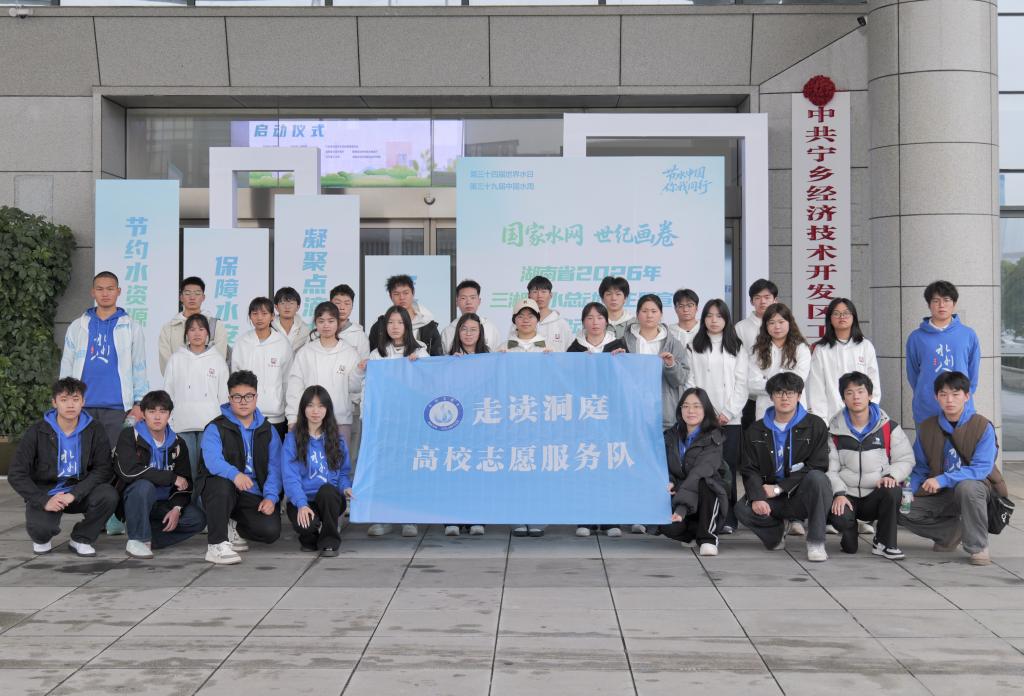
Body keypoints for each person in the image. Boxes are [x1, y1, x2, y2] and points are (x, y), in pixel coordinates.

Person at [59, 270, 148, 537]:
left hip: (116, 407)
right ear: (93, 292)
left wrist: (139, 402)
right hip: (83, 407)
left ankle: (112, 516)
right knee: (86, 462)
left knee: (114, 462)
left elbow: (139, 366)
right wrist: (65, 401)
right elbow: (67, 364)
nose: (105, 293)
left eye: (110, 288)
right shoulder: (78, 326)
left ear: (118, 292)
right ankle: (93, 514)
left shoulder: (131, 326)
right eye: (100, 288)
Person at [899, 371, 1003, 566]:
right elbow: (920, 467)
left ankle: (978, 546)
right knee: (898, 506)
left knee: (967, 487)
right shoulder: (927, 427)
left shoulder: (982, 426)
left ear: (967, 396)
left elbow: (981, 469)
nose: (949, 400)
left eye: (956, 394)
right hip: (939, 493)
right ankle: (949, 533)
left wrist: (942, 479)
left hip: (976, 492)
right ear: (936, 397)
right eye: (944, 394)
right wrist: (909, 490)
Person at [9, 378, 118, 557]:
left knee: (108, 495)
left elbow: (103, 469)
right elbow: (16, 473)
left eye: (75, 399)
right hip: (47, 492)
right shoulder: (37, 431)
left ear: (83, 402)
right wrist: (43, 500)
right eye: (64, 399)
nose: (70, 405)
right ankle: (42, 535)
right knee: (41, 533)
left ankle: (81, 538)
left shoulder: (95, 429)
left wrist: (74, 494)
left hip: (79, 490)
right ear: (54, 402)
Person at [734, 372, 832, 562]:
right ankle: (776, 533)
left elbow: (818, 465)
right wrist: (757, 497)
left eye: (790, 393)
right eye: (779, 393)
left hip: (802, 494)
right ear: (771, 397)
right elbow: (749, 469)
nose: (784, 398)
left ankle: (816, 542)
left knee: (818, 478)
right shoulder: (756, 429)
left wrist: (780, 488)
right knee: (742, 509)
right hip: (773, 497)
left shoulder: (815, 425)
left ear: (799, 395)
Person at [198, 370, 284, 565]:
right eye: (237, 396)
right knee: (221, 484)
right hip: (224, 489)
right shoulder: (216, 427)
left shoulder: (268, 430)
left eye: (248, 396)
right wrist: (234, 474)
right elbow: (212, 461)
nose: (243, 401)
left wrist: (271, 497)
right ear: (229, 398)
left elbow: (276, 468)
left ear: (256, 397)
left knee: (270, 532)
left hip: (251, 493)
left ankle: (232, 524)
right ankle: (216, 545)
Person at [826, 372, 914, 560]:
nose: (856, 397)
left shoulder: (888, 428)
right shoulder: (834, 430)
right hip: (848, 495)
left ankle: (885, 543)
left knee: (893, 490)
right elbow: (830, 469)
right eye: (849, 393)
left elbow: (905, 459)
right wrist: (839, 493)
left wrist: (891, 476)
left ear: (870, 395)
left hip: (875, 493)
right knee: (849, 546)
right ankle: (849, 533)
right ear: (843, 398)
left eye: (860, 391)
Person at [359, 305, 427, 538]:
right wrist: (361, 371)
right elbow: (366, 387)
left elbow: (430, 384)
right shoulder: (377, 354)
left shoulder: (420, 352)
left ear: (407, 325)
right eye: (390, 322)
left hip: (410, 421)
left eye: (399, 322)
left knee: (409, 468)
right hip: (383, 422)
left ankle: (410, 518)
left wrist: (418, 368)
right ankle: (383, 516)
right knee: (384, 468)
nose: (395, 327)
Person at [113, 390, 206, 559]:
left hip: (164, 503)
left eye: (162, 411)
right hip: (136, 501)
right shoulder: (130, 436)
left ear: (169, 414)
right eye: (151, 411)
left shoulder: (178, 443)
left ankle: (150, 537)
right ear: (143, 414)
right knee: (144, 486)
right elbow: (128, 471)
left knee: (197, 519)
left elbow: (185, 483)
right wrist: (171, 478)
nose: (157, 417)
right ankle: (138, 539)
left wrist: (177, 508)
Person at [684, 299, 748, 534]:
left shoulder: (737, 346)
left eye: (719, 316)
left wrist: (728, 412)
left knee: (727, 467)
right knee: (702, 466)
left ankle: (728, 517)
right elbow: (690, 380)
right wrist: (700, 411)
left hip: (730, 419)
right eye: (709, 316)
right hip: (702, 419)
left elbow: (742, 383)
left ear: (726, 319)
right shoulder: (694, 345)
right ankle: (702, 515)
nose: (713, 320)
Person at [567, 302, 626, 538]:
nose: (594, 322)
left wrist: (622, 363)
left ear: (606, 321)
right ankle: (586, 519)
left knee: (610, 465)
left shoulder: (619, 345)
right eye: (589, 318)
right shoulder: (574, 348)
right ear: (583, 322)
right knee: (585, 464)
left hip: (612, 415)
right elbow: (564, 380)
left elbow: (628, 380)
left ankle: (611, 519)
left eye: (599, 317)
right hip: (582, 416)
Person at [650, 388, 730, 556]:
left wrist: (681, 508)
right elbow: (662, 466)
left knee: (707, 483)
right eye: (685, 406)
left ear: (706, 410)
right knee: (667, 525)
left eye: (696, 406)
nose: (690, 411)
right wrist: (669, 480)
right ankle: (691, 536)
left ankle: (708, 538)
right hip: (680, 492)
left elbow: (699, 473)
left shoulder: (714, 437)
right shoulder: (670, 436)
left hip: (705, 497)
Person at [281, 386, 352, 556]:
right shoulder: (292, 439)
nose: (315, 411)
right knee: (308, 534)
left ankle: (329, 542)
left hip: (329, 500)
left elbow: (343, 472)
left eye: (321, 406)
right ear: (303, 408)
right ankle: (310, 535)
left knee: (327, 491)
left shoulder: (337, 439)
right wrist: (301, 504)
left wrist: (346, 488)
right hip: (303, 500)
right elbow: (290, 478)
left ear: (327, 410)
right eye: (310, 405)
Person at [163, 314, 229, 488]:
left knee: (207, 469)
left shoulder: (217, 360)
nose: (197, 333)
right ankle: (189, 504)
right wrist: (169, 422)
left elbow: (224, 397)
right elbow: (168, 393)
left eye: (201, 329)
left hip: (210, 425)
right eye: (192, 329)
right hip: (182, 424)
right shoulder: (176, 359)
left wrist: (223, 425)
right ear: (186, 334)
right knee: (188, 470)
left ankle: (204, 504)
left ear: (207, 333)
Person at [286, 302, 363, 448]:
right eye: (321, 321)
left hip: (340, 421)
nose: (326, 325)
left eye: (331, 321)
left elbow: (354, 388)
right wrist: (292, 418)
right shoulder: (305, 352)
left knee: (339, 461)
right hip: (310, 422)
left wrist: (360, 371)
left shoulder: (349, 353)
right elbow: (295, 388)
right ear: (315, 323)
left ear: (338, 323)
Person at [906, 280, 981, 425]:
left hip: (961, 410)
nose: (941, 305)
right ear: (929, 304)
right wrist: (926, 394)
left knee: (962, 440)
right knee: (928, 440)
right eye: (936, 301)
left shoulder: (968, 335)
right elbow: (913, 374)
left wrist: (961, 397)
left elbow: (973, 373)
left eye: (946, 300)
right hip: (927, 409)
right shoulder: (916, 337)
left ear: (954, 303)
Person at [444, 312, 488, 537]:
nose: (468, 334)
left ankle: (476, 517)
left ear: (480, 333)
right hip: (455, 424)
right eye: (464, 329)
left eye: (473, 330)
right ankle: (452, 518)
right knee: (455, 469)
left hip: (481, 422)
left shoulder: (490, 358)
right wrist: (451, 366)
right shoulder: (447, 359)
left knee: (477, 470)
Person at [621, 294, 690, 430]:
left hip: (663, 415)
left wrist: (671, 365)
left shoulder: (673, 344)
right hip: (632, 413)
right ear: (637, 314)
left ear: (661, 315)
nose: (649, 315)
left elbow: (681, 379)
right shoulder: (624, 343)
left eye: (654, 311)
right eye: (644, 311)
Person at [807, 297, 880, 422]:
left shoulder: (865, 346)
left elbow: (874, 383)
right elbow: (816, 388)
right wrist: (822, 421)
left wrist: (870, 412)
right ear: (830, 319)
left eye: (846, 313)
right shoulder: (821, 349)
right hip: (831, 418)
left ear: (853, 317)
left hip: (862, 418)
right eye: (836, 313)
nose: (842, 317)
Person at [231, 297, 294, 441]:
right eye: (255, 314)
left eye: (264, 314)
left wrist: (290, 413)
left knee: (274, 453)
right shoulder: (242, 343)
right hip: (247, 415)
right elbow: (235, 380)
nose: (259, 318)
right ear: (250, 316)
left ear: (272, 316)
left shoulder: (282, 343)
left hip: (276, 416)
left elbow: (288, 381)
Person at [748, 303, 811, 420]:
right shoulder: (757, 351)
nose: (777, 327)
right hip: (765, 410)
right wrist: (785, 385)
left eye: (781, 322)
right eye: (771, 323)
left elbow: (799, 380)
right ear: (765, 326)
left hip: (795, 410)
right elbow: (752, 383)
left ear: (789, 323)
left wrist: (768, 383)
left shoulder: (801, 348)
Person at [157, 276, 228, 374]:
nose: (192, 297)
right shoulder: (168, 328)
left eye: (197, 293)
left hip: (208, 381)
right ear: (181, 297)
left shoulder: (216, 326)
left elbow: (219, 359)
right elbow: (166, 362)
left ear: (203, 297)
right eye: (187, 293)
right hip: (178, 381)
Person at [735, 279, 778, 432]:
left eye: (767, 297)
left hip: (781, 395)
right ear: (751, 301)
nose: (762, 301)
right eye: (757, 298)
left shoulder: (783, 325)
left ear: (775, 300)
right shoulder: (741, 328)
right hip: (749, 396)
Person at [368, 274, 444, 356]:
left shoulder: (428, 325)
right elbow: (373, 358)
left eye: (406, 293)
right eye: (396, 294)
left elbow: (437, 359)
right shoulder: (379, 326)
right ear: (390, 296)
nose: (402, 297)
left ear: (413, 293)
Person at [441, 279, 502, 352]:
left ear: (479, 301)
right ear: (457, 301)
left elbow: (496, 356)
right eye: (463, 298)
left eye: (472, 298)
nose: (468, 302)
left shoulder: (490, 328)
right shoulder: (448, 331)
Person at [523, 275, 572, 351]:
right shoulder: (521, 322)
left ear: (550, 295)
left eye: (543, 291)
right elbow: (512, 349)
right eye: (535, 292)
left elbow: (570, 353)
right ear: (529, 295)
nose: (539, 296)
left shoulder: (561, 324)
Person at [330, 283, 371, 361]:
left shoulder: (360, 336)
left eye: (347, 303)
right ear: (330, 304)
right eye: (338, 303)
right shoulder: (318, 333)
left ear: (352, 306)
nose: (342, 307)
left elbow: (364, 364)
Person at [273, 286, 310, 354]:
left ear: (298, 307)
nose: (287, 307)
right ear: (276, 307)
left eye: (291, 303)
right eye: (283, 303)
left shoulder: (305, 330)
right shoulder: (269, 328)